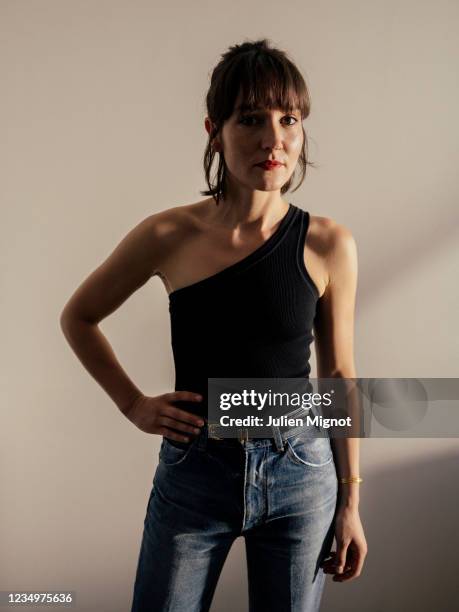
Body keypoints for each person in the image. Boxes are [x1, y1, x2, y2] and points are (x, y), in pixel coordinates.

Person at [60, 38, 367, 612]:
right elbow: (79, 317)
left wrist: (351, 501)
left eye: (289, 119)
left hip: (301, 470)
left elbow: (340, 375)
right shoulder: (167, 235)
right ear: (214, 129)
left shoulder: (329, 243)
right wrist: (133, 404)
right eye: (251, 118)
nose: (273, 139)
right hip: (195, 473)